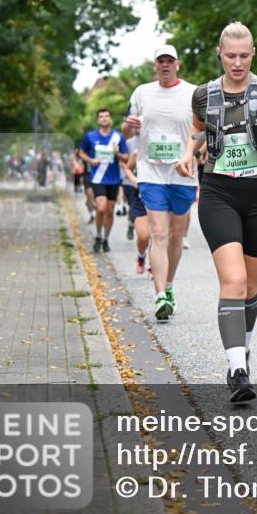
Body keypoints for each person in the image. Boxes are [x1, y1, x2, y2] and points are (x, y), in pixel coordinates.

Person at [175, 21, 257, 404]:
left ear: (253, 53)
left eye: (244, 56)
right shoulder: (203, 94)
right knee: (232, 281)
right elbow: (197, 132)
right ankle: (236, 369)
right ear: (220, 53)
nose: (237, 63)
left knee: (250, 285)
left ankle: (242, 348)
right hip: (218, 191)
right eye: (230, 56)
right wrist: (188, 154)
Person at [123, 45, 198, 321]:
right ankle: (159, 296)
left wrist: (195, 153)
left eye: (170, 61)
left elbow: (200, 130)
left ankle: (168, 285)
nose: (165, 65)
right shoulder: (142, 93)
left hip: (182, 172)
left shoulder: (192, 93)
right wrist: (130, 126)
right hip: (150, 172)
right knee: (158, 233)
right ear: (155, 66)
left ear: (177, 64)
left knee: (177, 235)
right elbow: (126, 129)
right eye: (160, 61)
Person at [78, 109, 129, 252]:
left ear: (111, 119)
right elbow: (80, 152)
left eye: (107, 116)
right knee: (101, 208)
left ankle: (106, 239)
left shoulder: (118, 137)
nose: (104, 118)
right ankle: (98, 236)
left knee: (110, 210)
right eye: (101, 116)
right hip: (97, 178)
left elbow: (126, 158)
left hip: (113, 179)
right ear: (98, 120)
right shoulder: (90, 136)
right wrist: (90, 160)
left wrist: (117, 152)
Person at [120, 143, 152, 276]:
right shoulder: (137, 151)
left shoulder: (170, 148)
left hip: (161, 197)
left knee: (157, 235)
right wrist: (135, 180)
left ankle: (153, 266)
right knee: (144, 235)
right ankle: (141, 255)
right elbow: (128, 169)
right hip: (140, 197)